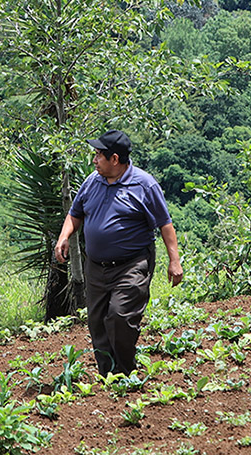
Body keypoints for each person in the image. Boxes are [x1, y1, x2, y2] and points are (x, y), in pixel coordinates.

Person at [55, 129, 183, 376]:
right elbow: (75, 213)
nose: (94, 160)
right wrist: (64, 236)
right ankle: (108, 376)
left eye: (98, 155)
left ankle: (125, 373)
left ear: (115, 159)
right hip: (96, 266)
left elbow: (165, 224)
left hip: (131, 264)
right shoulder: (92, 181)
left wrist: (174, 261)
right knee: (97, 322)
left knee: (120, 316)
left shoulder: (144, 185)